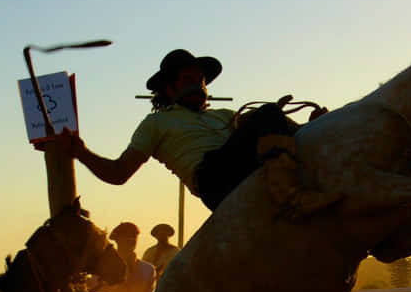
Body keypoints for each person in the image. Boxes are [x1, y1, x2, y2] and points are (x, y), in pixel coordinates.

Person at [35, 49, 339, 214]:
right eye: (188, 79)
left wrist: (315, 127)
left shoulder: (226, 115)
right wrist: (81, 152)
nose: (199, 85)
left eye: (202, 80)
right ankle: (290, 197)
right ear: (169, 88)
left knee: (280, 121)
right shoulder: (156, 123)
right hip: (213, 180)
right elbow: (118, 173)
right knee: (268, 112)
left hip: (248, 171)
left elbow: (280, 138)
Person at [99, 223, 156, 292]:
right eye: (126, 236)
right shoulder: (103, 268)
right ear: (117, 240)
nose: (131, 240)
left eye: (134, 236)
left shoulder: (148, 270)